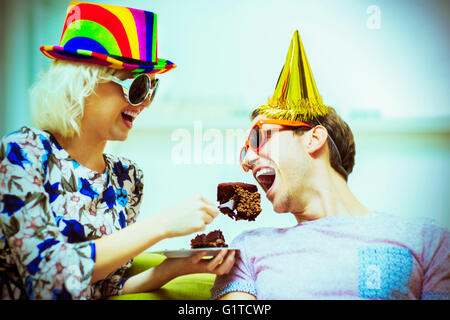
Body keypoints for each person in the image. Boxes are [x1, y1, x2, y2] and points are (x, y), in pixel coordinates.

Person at [0, 1, 234, 300]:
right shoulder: (23, 152)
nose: (146, 102)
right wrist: (162, 225)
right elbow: (50, 279)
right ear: (83, 82)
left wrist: (174, 268)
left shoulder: (127, 177)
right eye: (136, 85)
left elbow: (104, 288)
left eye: (151, 87)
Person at [210, 30, 450, 300]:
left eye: (257, 138)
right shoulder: (248, 250)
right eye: (245, 150)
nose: (247, 161)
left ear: (314, 139)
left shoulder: (428, 241)